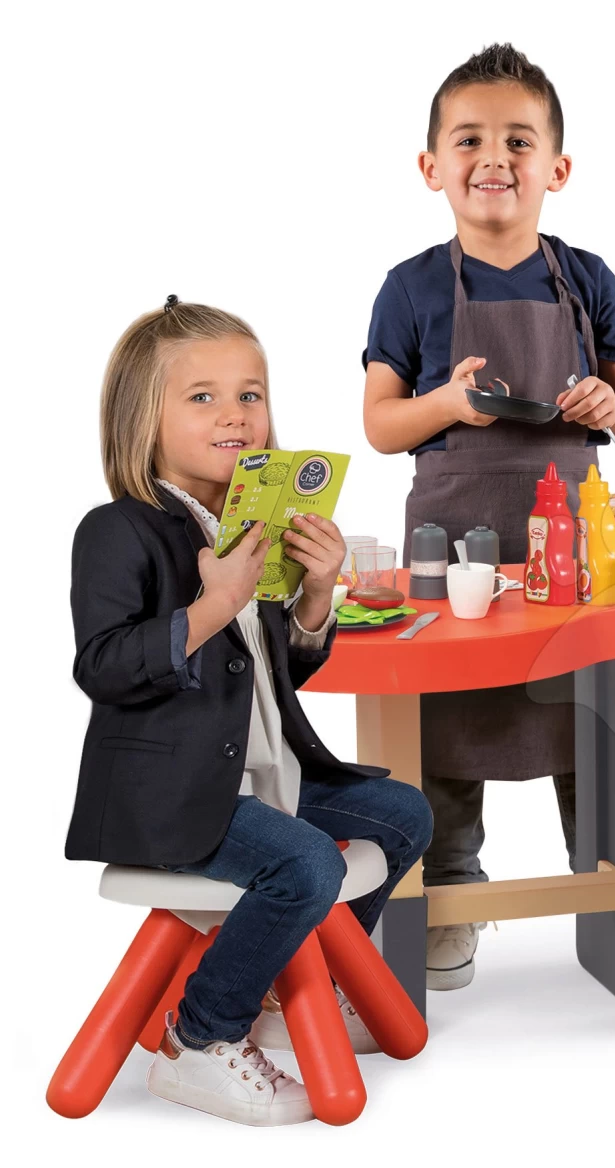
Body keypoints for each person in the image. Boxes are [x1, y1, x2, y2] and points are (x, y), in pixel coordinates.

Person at [68, 299, 433, 1126]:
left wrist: (315, 594)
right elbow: (104, 666)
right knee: (306, 866)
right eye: (202, 397)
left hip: (265, 772)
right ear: (142, 419)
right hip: (171, 795)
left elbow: (275, 675)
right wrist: (213, 604)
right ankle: (200, 1037)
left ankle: (287, 986)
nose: (234, 414)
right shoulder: (118, 530)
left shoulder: (250, 522)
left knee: (404, 815)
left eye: (250, 395)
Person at [362, 43, 615, 991]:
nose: (494, 158)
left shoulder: (588, 279)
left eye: (519, 140)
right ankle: (448, 895)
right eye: (469, 139)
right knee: (446, 724)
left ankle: (607, 883)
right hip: (450, 544)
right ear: (431, 166)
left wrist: (608, 406)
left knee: (588, 715)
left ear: (557, 168)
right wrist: (447, 403)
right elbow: (381, 424)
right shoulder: (411, 287)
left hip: (576, 550)